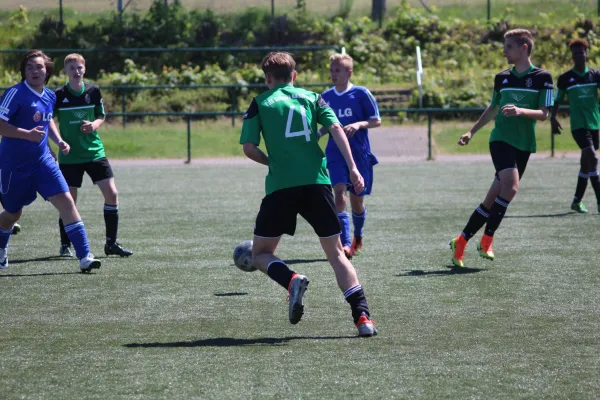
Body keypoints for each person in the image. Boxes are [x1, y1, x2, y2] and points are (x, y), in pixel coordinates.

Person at [240, 52, 377, 337]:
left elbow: (249, 148)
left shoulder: (259, 103)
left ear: (267, 78)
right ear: (294, 76)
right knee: (337, 254)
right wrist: (353, 168)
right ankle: (363, 318)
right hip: (317, 183)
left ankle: (291, 280)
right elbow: (335, 128)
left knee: (260, 253)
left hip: (281, 186)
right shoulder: (314, 97)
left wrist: (272, 162)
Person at [450, 29, 554, 268]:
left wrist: (521, 111)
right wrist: (471, 131)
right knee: (512, 186)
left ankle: (461, 241)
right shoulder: (502, 78)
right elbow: (493, 108)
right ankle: (487, 239)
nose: (504, 51)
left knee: (491, 200)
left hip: (524, 144)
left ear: (524, 48)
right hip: (500, 140)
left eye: (508, 46)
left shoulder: (543, 77)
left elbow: (544, 114)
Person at [0, 49, 101, 272]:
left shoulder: (49, 96)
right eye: (30, 67)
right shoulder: (15, 94)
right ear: (23, 71)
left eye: (39, 67)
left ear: (47, 71)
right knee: (12, 214)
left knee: (67, 202)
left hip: (43, 162)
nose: (35, 71)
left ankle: (85, 256)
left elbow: (48, 122)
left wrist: (58, 141)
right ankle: (1, 247)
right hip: (14, 166)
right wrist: (26, 134)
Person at [53, 53, 132, 258]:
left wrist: (94, 125)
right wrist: (59, 142)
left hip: (94, 151)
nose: (76, 71)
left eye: (79, 67)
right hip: (70, 156)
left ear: (84, 69)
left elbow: (101, 115)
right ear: (66, 71)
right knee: (68, 202)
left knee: (112, 194)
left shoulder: (93, 91)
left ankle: (111, 243)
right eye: (72, 68)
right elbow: (48, 120)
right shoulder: (59, 95)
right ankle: (65, 244)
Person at [319, 53, 381, 259]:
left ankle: (358, 234)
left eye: (337, 70)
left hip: (359, 153)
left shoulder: (361, 94)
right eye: (331, 70)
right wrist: (316, 135)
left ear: (348, 72)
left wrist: (358, 124)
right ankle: (345, 243)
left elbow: (376, 120)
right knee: (338, 194)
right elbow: (326, 125)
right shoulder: (325, 97)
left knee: (357, 201)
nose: (333, 74)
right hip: (335, 152)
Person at [551, 39, 600, 213]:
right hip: (578, 126)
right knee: (593, 158)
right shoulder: (565, 79)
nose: (579, 56)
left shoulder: (595, 75)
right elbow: (557, 100)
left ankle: (576, 201)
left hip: (595, 124)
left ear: (587, 54)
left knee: (586, 164)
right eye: (576, 53)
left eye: (582, 52)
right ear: (572, 56)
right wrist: (553, 118)